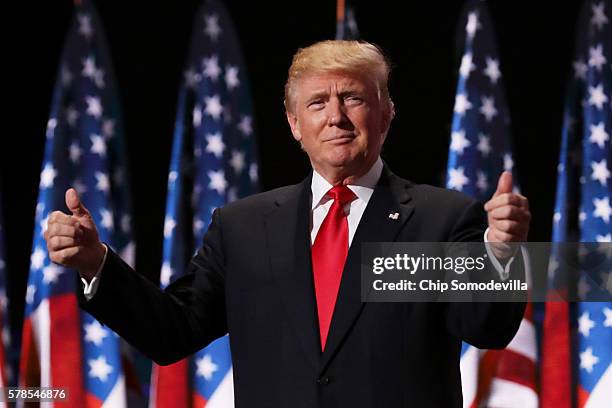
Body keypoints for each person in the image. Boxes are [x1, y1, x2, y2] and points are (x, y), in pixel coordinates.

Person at [44, 40, 530, 407]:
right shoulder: (242, 227)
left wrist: (500, 255)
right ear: (295, 124)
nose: (335, 117)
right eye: (318, 103)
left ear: (386, 115)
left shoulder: (440, 218)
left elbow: (484, 326)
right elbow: (173, 333)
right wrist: (96, 265)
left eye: (353, 99)